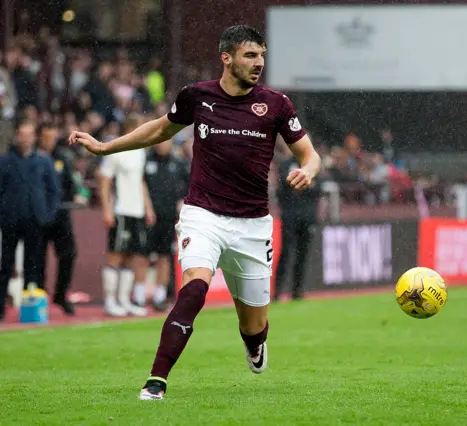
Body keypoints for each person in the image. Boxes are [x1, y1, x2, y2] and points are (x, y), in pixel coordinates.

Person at [68, 25, 320, 400]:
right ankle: (156, 381)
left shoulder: (277, 104)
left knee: (254, 325)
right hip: (203, 215)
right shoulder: (197, 97)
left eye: (262, 56)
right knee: (194, 289)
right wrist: (106, 148)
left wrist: (309, 170)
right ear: (227, 57)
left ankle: (254, 343)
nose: (258, 63)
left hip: (253, 225)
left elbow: (309, 154)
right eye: (250, 55)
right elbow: (158, 130)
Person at [0, 120, 60, 321]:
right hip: (10, 220)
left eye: (29, 135)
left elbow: (54, 191)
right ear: (17, 137)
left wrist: (47, 215)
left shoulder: (43, 161)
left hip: (35, 220)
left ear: (34, 138)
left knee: (34, 265)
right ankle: (1, 307)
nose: (25, 139)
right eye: (22, 135)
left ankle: (31, 308)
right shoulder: (6, 161)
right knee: (5, 264)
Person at [97, 114, 155, 317]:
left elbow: (140, 181)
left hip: (137, 210)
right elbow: (104, 180)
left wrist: (148, 207)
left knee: (132, 256)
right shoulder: (115, 150)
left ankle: (124, 299)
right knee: (116, 254)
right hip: (120, 210)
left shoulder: (140, 152)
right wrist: (106, 209)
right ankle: (110, 300)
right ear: (130, 128)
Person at [135, 138, 190, 312]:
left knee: (164, 256)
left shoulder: (179, 164)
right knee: (142, 255)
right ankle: (139, 296)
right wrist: (146, 207)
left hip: (169, 217)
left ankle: (160, 296)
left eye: (165, 141)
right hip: (147, 216)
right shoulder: (145, 160)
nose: (161, 144)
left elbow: (190, 187)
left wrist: (183, 201)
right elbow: (139, 184)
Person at [36, 123, 78, 315]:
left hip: (60, 214)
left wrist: (68, 199)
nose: (49, 141)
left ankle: (61, 295)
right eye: (46, 137)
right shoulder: (33, 158)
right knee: (36, 258)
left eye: (52, 137)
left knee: (68, 254)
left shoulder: (62, 157)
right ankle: (37, 295)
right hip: (38, 216)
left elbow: (70, 184)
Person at [274, 147, 323, 301]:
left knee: (303, 254)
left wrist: (300, 185)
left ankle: (297, 290)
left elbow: (318, 188)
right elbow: (283, 185)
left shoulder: (311, 165)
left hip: (307, 217)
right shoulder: (287, 164)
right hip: (290, 216)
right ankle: (277, 291)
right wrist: (305, 184)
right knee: (286, 253)